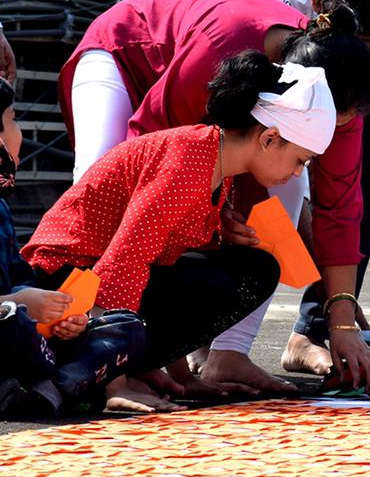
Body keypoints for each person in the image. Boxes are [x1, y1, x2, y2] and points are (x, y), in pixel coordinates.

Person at [58, 0, 370, 393]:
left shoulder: (331, 106)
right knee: (108, 202)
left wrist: (341, 321)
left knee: (265, 224)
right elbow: (145, 158)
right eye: (306, 155)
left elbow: (339, 211)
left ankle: (223, 354)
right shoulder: (218, 59)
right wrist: (119, 378)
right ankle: (92, 353)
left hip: (226, 140)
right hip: (125, 56)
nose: (321, 152)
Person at [163, 0, 370, 376]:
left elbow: (341, 189)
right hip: (209, 17)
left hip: (310, 54)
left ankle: (316, 327)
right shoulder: (247, 14)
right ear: (320, 4)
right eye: (360, 43)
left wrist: (337, 301)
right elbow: (175, 146)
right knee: (235, 184)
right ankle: (188, 337)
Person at [23, 58, 341, 412]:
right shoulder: (187, 164)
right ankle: (98, 372)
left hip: (94, 284)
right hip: (62, 285)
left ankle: (135, 365)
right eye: (300, 160)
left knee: (255, 269)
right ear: (269, 138)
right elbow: (121, 267)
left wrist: (182, 375)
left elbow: (165, 257)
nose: (297, 173)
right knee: (225, 279)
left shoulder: (214, 161)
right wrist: (115, 383)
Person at [0, 78, 145, 417]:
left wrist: (63, 317)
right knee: (11, 324)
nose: (17, 131)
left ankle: (47, 389)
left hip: (28, 342)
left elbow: (19, 278)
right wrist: (13, 304)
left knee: (127, 327)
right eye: (12, 118)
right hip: (9, 333)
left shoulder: (1, 209)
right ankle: (50, 389)